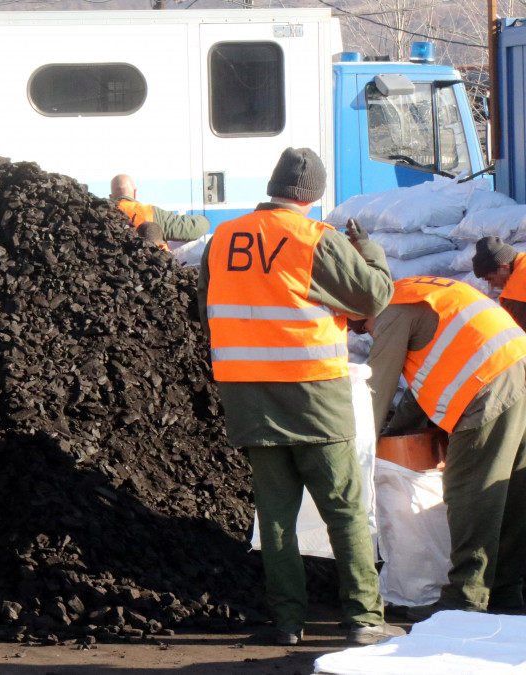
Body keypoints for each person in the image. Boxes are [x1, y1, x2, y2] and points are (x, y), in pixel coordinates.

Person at [197, 147, 402, 646]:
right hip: (314, 397)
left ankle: (287, 623)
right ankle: (363, 620)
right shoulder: (316, 239)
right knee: (345, 510)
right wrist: (368, 253)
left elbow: (209, 308)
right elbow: (373, 296)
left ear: (274, 186)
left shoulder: (222, 238)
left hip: (249, 398)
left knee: (276, 517)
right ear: (313, 195)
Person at [362, 275, 526, 618]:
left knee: (471, 495)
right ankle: (507, 591)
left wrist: (365, 443)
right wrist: (397, 432)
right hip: (518, 365)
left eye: (362, 327)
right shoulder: (422, 290)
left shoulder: (393, 312)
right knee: (513, 492)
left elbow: (377, 388)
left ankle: (464, 599)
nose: (363, 334)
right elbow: (419, 390)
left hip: (487, 385)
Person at [110, 173, 209, 241]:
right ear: (135, 193)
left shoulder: (102, 216)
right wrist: (203, 219)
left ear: (110, 197)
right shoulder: (150, 213)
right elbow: (192, 229)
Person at [473, 236, 526, 328]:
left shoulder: (514, 297)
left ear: (504, 268)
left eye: (491, 279)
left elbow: (517, 337)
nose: (492, 285)